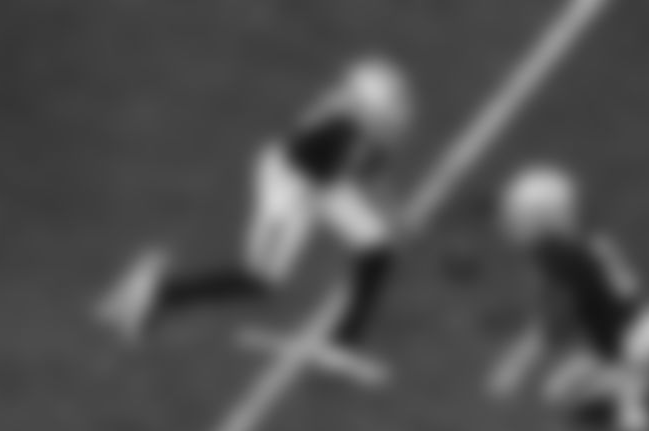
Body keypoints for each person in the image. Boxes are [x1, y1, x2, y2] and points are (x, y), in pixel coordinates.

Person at [96, 56, 413, 363]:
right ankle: (158, 294)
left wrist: (392, 208)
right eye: (385, 106)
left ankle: (345, 341)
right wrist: (383, 204)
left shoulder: (356, 120)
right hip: (290, 186)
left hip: (319, 180)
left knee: (377, 247)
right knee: (260, 278)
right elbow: (336, 176)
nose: (392, 111)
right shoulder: (333, 132)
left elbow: (369, 166)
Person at [489, 162, 649, 431]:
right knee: (568, 388)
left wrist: (514, 367)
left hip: (629, 348)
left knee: (562, 396)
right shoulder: (585, 243)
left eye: (522, 215)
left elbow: (555, 325)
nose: (516, 222)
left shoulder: (559, 260)